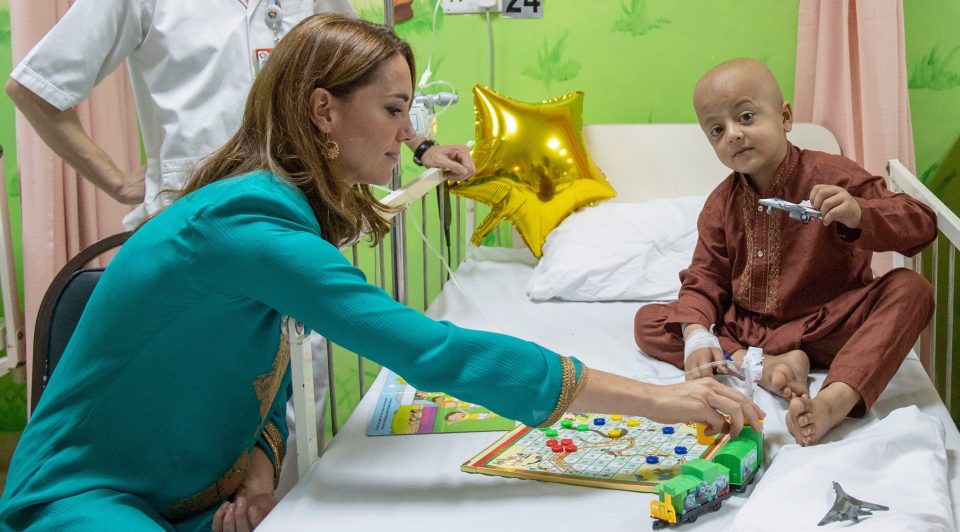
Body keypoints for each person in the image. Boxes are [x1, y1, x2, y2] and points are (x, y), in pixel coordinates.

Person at [0, 17, 763, 531]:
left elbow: (260, 369)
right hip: (81, 498)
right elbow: (434, 352)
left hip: (196, 491)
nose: (411, 134)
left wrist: (261, 469)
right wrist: (658, 400)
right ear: (323, 112)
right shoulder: (247, 226)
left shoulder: (279, 215)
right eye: (396, 110)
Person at [634, 58, 937, 447]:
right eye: (717, 129)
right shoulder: (720, 204)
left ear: (785, 117)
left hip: (832, 327)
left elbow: (921, 223)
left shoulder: (834, 174)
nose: (733, 135)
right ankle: (765, 368)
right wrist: (695, 334)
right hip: (751, 334)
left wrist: (860, 213)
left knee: (911, 289)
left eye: (745, 117)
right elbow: (705, 278)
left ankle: (834, 401)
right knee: (653, 320)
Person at [4, 0, 474, 230]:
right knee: (216, 403)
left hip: (300, 216)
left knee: (300, 403)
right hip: (198, 220)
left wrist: (420, 145)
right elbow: (35, 88)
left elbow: (365, 75)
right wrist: (117, 183)